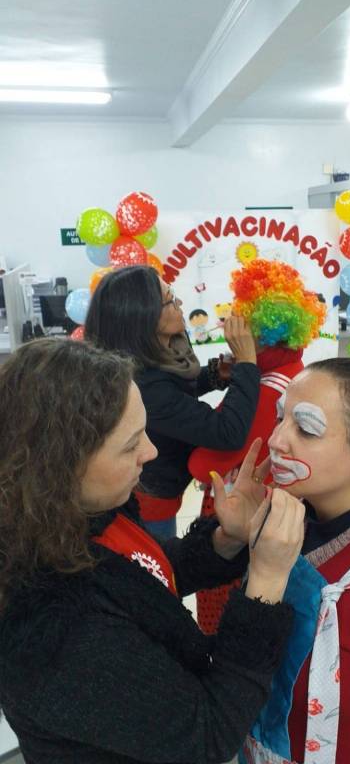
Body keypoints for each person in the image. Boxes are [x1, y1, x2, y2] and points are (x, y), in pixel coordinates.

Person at [0, 337, 306, 764]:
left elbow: (140, 579)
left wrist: (227, 539)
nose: (152, 451)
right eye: (130, 445)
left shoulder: (83, 515)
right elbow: (208, 734)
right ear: (60, 464)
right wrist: (266, 583)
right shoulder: (51, 630)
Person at [211, 357, 350, 764]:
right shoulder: (284, 523)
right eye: (281, 418)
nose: (276, 440)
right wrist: (239, 539)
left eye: (306, 429)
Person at [189, 257, 326, 634]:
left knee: (223, 604)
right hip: (270, 508)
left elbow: (203, 464)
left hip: (240, 510)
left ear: (261, 336)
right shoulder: (293, 373)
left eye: (244, 329)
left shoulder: (266, 390)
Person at [84, 265, 261, 539]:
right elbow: (228, 432)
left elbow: (177, 390)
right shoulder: (143, 385)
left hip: (166, 491)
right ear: (143, 318)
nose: (179, 304)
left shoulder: (161, 356)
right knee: (161, 555)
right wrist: (247, 362)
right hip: (149, 503)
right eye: (169, 300)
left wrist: (216, 374)